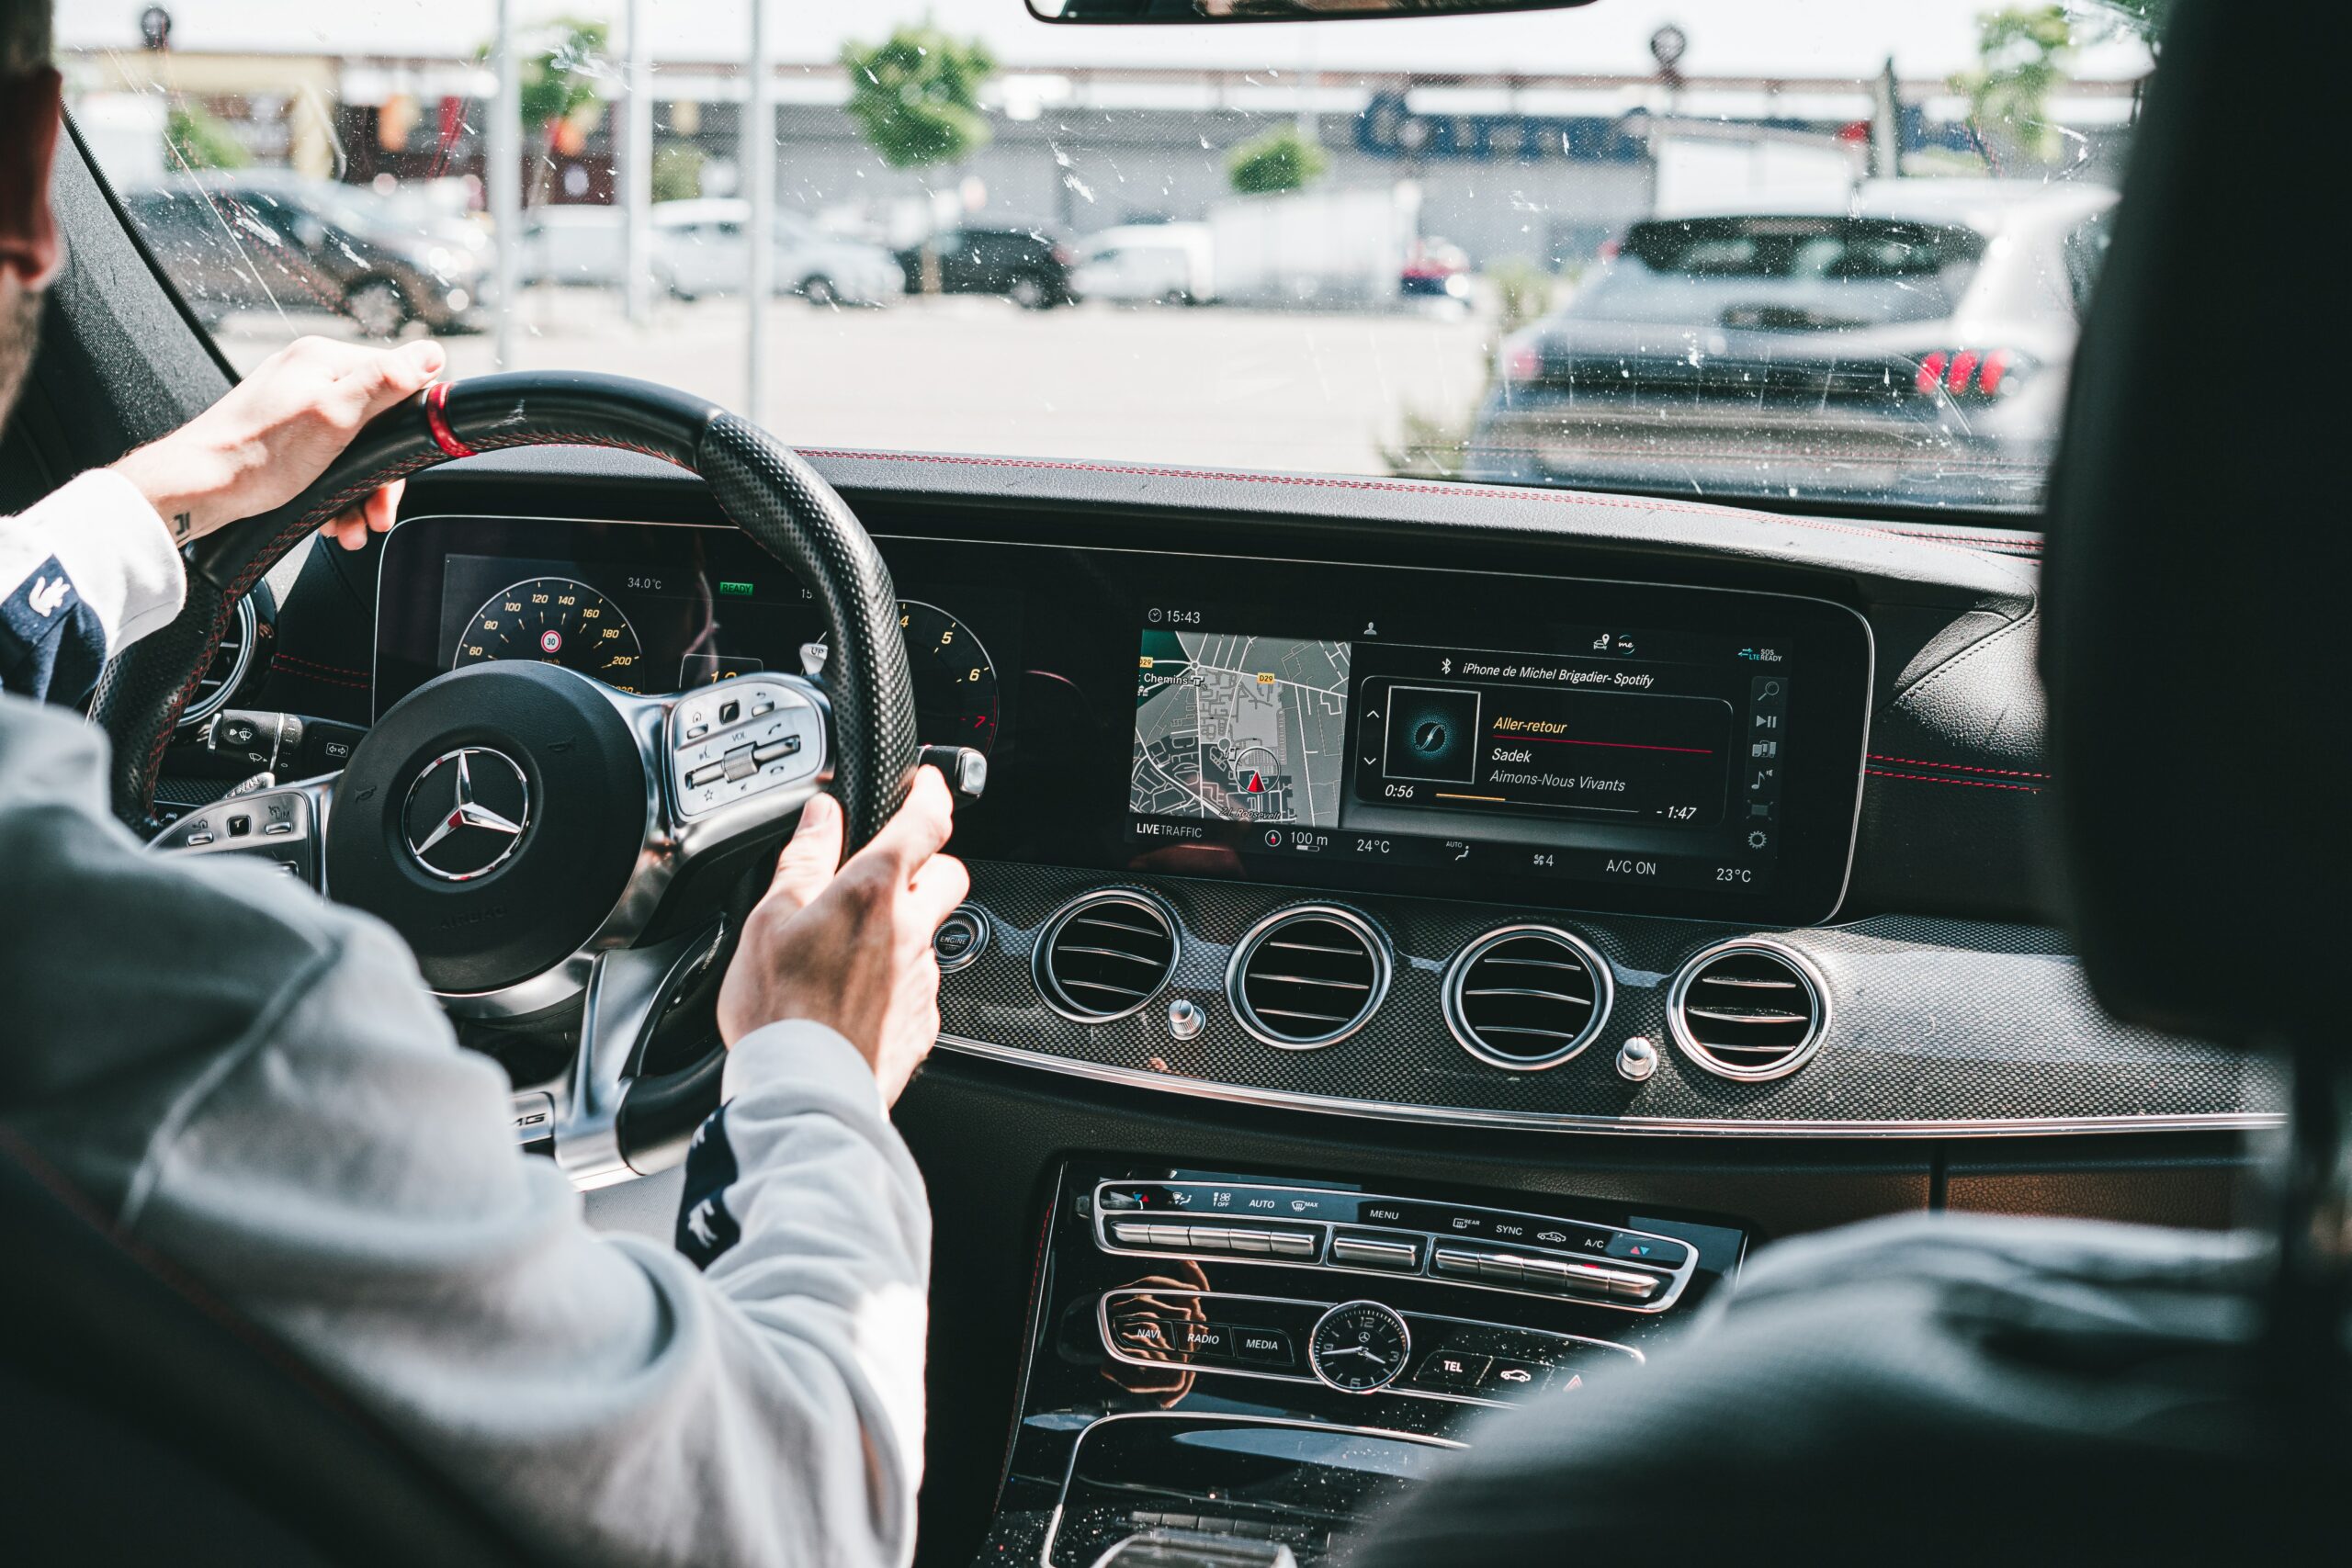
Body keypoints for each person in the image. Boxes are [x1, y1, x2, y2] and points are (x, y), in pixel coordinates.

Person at [0, 10, 964, 1566]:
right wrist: (812, 1076)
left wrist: (153, 500)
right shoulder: (186, 1020)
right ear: (33, 173)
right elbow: (805, 1517)